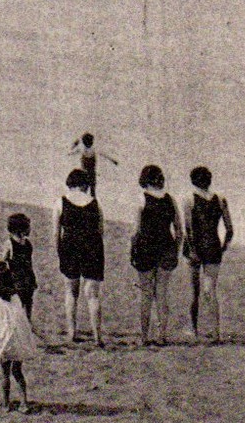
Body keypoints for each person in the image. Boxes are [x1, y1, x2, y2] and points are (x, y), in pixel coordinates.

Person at [130, 165, 183, 347]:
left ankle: (144, 336)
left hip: (146, 248)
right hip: (166, 247)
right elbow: (179, 230)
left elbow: (136, 231)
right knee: (162, 293)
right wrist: (175, 249)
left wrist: (132, 249)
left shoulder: (141, 198)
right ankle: (162, 335)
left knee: (146, 294)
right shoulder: (170, 199)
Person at [183, 166, 234, 343]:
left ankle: (193, 329)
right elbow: (229, 230)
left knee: (195, 291)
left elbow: (188, 230)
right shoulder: (220, 199)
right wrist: (224, 247)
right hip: (213, 246)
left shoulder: (188, 199)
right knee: (210, 291)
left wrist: (192, 250)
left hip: (195, 249)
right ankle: (216, 332)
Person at [55, 168, 105, 346]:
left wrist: (59, 251)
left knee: (71, 292)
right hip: (92, 248)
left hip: (69, 246)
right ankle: (98, 336)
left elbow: (56, 232)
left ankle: (71, 332)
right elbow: (101, 230)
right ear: (85, 185)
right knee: (93, 295)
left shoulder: (61, 202)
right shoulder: (94, 202)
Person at [0, 264, 36, 413]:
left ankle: (6, 403)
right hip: (17, 338)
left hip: (4, 339)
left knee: (4, 374)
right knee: (18, 371)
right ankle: (23, 402)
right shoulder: (16, 298)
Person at [2, 213, 39, 321]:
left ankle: (27, 322)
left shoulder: (27, 243)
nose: (30, 229)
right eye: (28, 227)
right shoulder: (11, 244)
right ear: (20, 229)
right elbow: (4, 262)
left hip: (25, 278)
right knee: (19, 302)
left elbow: (29, 262)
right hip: (17, 278)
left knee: (27, 301)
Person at [69, 133, 117, 198]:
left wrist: (74, 145)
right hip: (89, 172)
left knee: (86, 191)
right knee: (90, 191)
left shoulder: (83, 149)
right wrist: (113, 160)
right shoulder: (92, 149)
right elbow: (104, 154)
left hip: (86, 172)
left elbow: (70, 153)